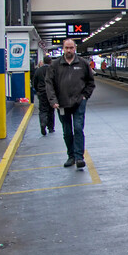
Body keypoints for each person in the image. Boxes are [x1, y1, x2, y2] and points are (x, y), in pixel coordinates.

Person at [45, 39, 96, 169]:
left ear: (75, 48)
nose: (69, 50)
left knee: (78, 128)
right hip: (61, 104)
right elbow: (49, 84)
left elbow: (91, 82)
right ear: (63, 48)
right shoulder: (55, 65)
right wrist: (53, 100)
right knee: (67, 131)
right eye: (67, 48)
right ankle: (71, 156)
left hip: (79, 102)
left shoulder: (83, 64)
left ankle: (79, 157)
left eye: (71, 48)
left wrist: (85, 96)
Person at [32, 55, 55, 136]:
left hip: (42, 93)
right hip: (51, 93)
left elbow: (34, 82)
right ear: (50, 61)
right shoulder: (52, 70)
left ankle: (43, 123)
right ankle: (51, 128)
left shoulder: (38, 71)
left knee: (43, 110)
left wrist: (38, 90)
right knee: (51, 110)